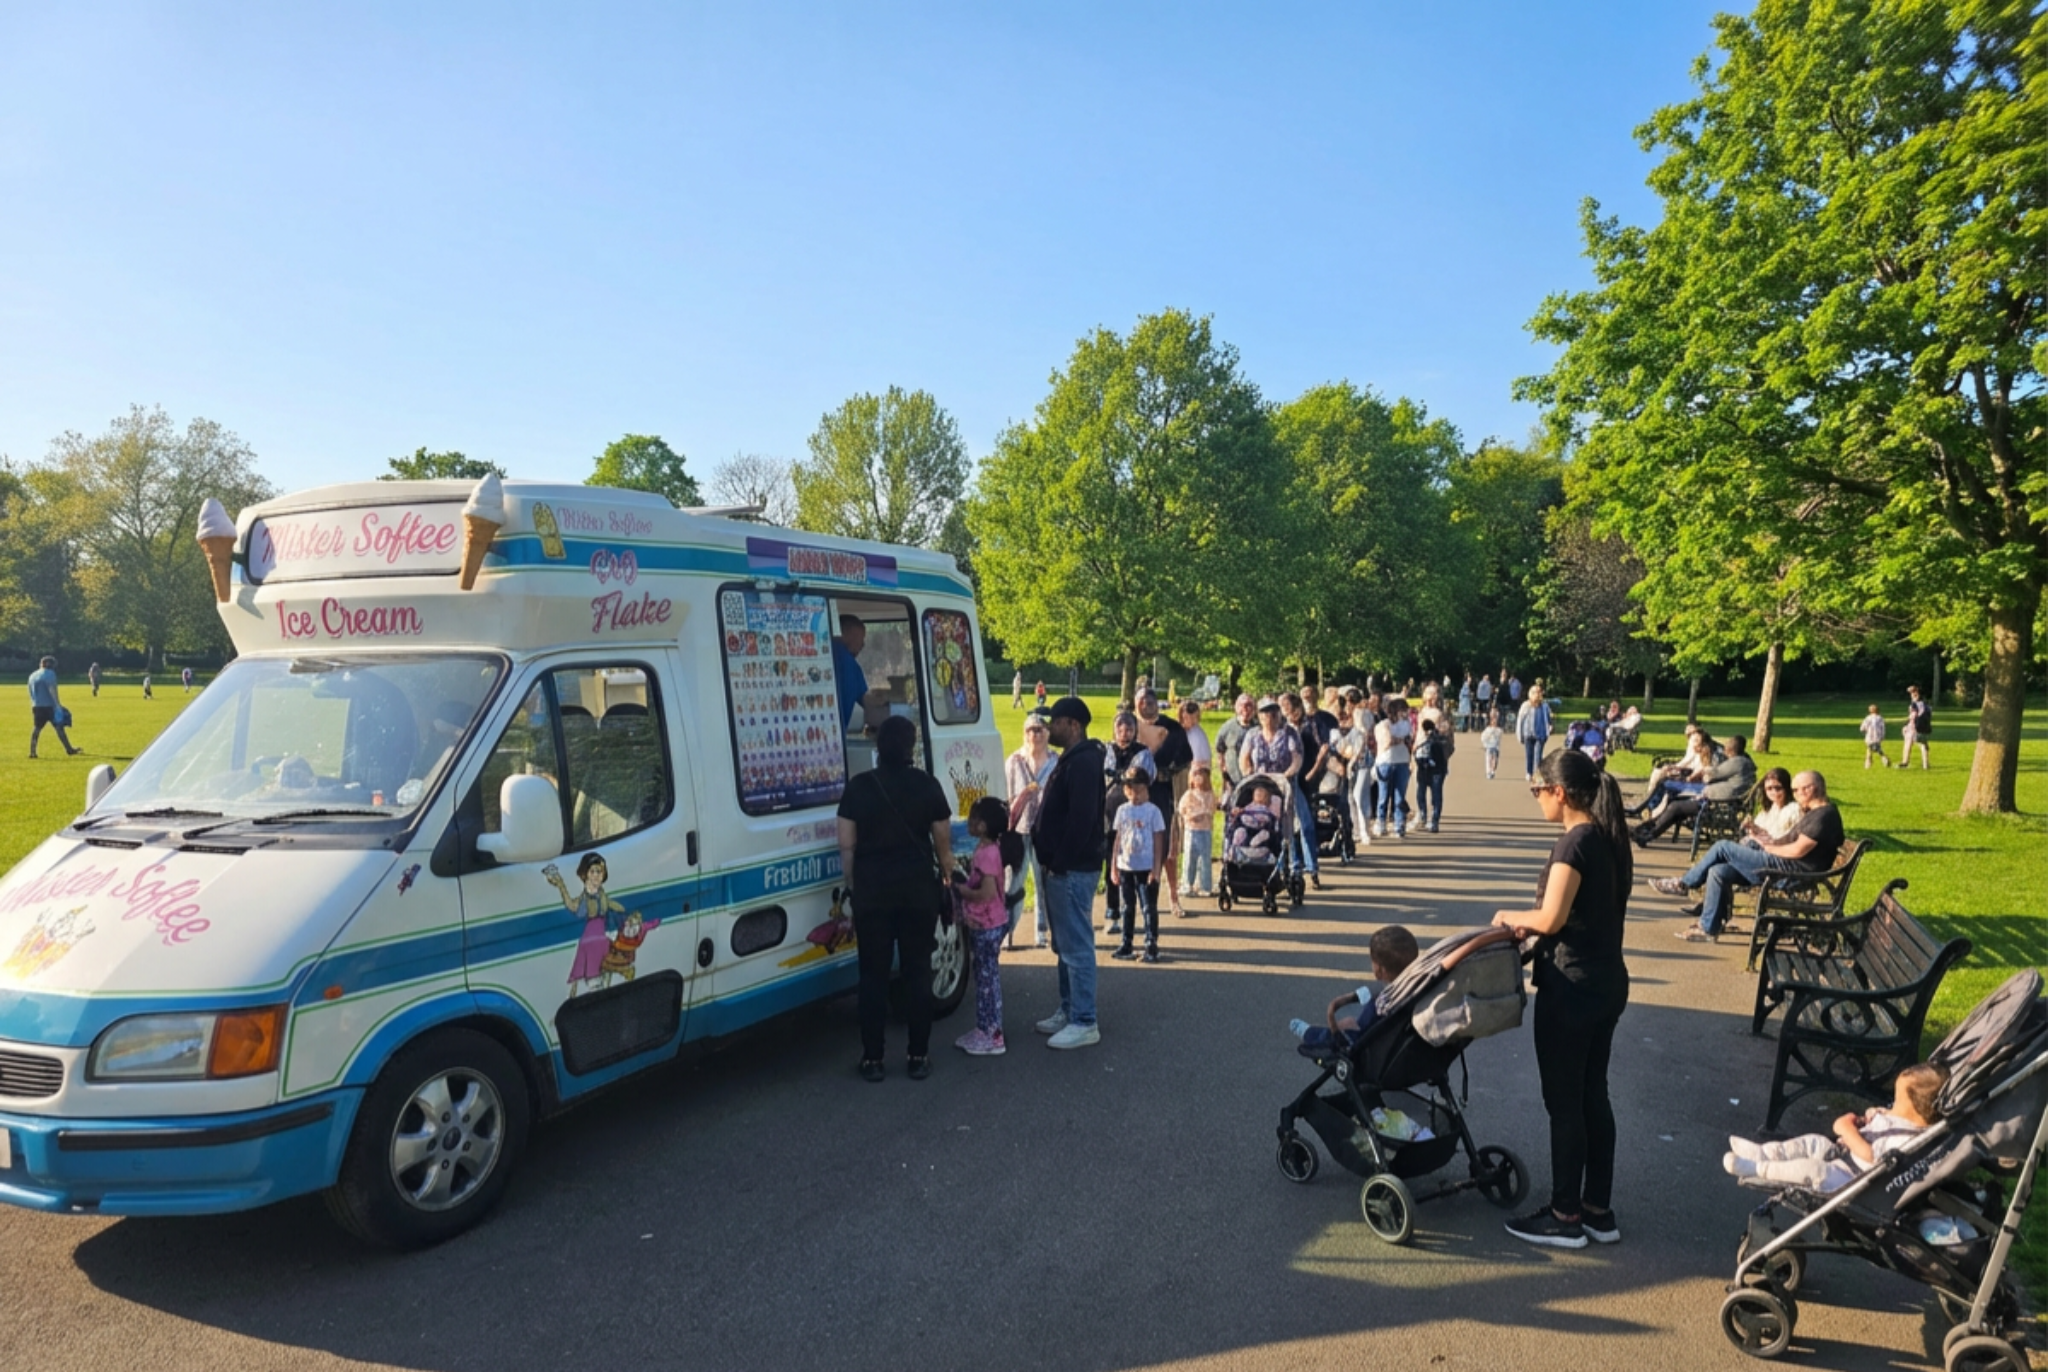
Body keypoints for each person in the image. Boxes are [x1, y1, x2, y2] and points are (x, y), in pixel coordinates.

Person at [1492, 748, 1632, 1249]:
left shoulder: (1573, 844)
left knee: (1565, 1104)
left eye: (1537, 791)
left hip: (1571, 989)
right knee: (1594, 1095)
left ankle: (1565, 1215)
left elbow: (1550, 919)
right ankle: (1598, 1210)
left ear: (1560, 792)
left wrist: (1509, 915)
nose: (1536, 800)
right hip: (1607, 982)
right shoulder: (1610, 838)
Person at [836, 714, 954, 1082]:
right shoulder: (927, 785)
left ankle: (872, 1059)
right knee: (918, 971)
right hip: (917, 889)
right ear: (912, 747)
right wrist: (948, 877)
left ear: (877, 746)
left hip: (873, 889)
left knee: (872, 975)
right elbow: (943, 843)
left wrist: (855, 882)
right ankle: (918, 1055)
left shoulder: (858, 787)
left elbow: (847, 845)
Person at [1652, 770, 1845, 941]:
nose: (1794, 794)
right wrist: (1762, 839)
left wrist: (1769, 850)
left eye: (1796, 790)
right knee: (1719, 871)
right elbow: (1786, 841)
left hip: (1791, 872)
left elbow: (1797, 851)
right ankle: (1708, 927)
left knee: (1722, 847)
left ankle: (1684, 884)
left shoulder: (1824, 817)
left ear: (1810, 789)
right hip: (1783, 865)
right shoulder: (1816, 813)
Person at [1724, 1062, 1946, 1192]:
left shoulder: (1908, 1142)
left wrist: (1845, 1129)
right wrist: (1867, 1118)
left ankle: (1758, 1169)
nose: (1891, 1105)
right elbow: (1885, 1120)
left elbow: (1871, 1155)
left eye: (1897, 1102)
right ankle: (1762, 1153)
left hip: (1851, 1178)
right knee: (1813, 1141)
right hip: (1841, 1154)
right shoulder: (1900, 1118)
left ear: (1916, 1111)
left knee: (1813, 1170)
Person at [1032, 697, 1108, 1050]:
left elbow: (1081, 819)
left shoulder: (1084, 763)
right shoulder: (1073, 760)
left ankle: (1084, 1019)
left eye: (1056, 721)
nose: (1050, 727)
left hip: (1072, 869)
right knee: (1064, 945)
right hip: (1062, 867)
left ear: (1074, 725)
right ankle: (1069, 1008)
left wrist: (1060, 859)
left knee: (1076, 945)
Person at [953, 796, 1025, 1056]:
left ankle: (991, 1033)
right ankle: (985, 1028)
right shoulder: (991, 849)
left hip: (985, 924)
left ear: (983, 826)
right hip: (990, 923)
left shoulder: (987, 854)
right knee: (986, 977)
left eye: (973, 818)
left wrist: (962, 890)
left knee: (986, 981)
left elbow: (985, 893)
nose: (969, 823)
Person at [1288, 925, 1420, 1052]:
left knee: (1335, 1031)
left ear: (1380, 970)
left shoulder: (1381, 1004)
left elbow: (1364, 1032)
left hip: (1364, 1045)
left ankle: (1310, 1034)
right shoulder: (1418, 990)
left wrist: (1350, 1027)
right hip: (1400, 1044)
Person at [1633, 735, 1756, 846]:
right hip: (1722, 802)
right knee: (1675, 804)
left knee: (1675, 806)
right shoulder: (1745, 763)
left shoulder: (1737, 762)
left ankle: (1648, 833)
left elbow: (1714, 773)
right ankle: (1646, 831)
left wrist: (1704, 772)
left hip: (1715, 804)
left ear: (1730, 750)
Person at [1133, 686, 1193, 915]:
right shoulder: (1128, 725)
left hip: (1162, 791)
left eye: (1150, 700)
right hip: (1134, 794)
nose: (1146, 704)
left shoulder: (1173, 728)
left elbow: (1186, 757)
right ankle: (1139, 899)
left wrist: (1165, 770)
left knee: (1167, 843)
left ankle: (1173, 897)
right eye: (1141, 700)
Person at [1102, 712, 1158, 938]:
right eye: (1120, 729)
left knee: (1137, 863)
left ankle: (1142, 911)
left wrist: (1123, 776)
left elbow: (1142, 776)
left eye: (1129, 729)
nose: (1124, 734)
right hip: (1109, 811)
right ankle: (1112, 911)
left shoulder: (1142, 753)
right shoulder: (1107, 750)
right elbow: (1104, 773)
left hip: (1135, 813)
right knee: (1112, 862)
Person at [1004, 714, 1058, 947]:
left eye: (1039, 729)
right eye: (1030, 730)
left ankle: (1042, 932)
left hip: (1046, 830)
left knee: (1043, 882)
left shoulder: (1056, 760)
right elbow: (1006, 796)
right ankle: (1007, 931)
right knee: (1012, 883)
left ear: (1047, 732)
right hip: (1018, 830)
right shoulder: (1014, 760)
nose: (1035, 735)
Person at [1108, 770, 1168, 963]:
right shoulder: (1123, 811)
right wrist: (1113, 867)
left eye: (1141, 790)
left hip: (1146, 867)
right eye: (1133, 790)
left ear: (1147, 790)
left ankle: (1151, 942)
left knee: (1148, 906)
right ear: (1126, 791)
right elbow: (1117, 838)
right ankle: (1127, 942)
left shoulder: (1153, 812)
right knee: (1127, 907)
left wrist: (1156, 868)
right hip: (1126, 865)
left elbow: (1159, 839)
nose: (1137, 795)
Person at [1280, 692, 1327, 888]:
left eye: (1291, 709)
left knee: (1306, 824)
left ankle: (1312, 868)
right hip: (1287, 780)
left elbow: (1321, 747)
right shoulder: (1281, 728)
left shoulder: (1310, 725)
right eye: (1285, 710)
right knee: (1286, 827)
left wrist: (1314, 770)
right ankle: (1292, 866)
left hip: (1305, 780)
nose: (1290, 714)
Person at [831, 614, 891, 732]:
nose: (863, 645)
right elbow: (868, 702)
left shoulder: (821, 653)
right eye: (861, 638)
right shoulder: (850, 665)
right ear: (846, 633)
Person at [1372, 696, 1414, 839]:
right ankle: (1381, 823)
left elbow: (1407, 739)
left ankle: (1399, 825)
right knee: (1383, 796)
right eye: (1403, 710)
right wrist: (1400, 740)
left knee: (1399, 797)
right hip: (1385, 762)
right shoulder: (1383, 724)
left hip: (1402, 761)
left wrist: (1399, 740)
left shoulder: (1406, 724)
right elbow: (1387, 741)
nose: (1405, 713)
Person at [1177, 763, 1218, 899]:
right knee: (1189, 858)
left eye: (1202, 775)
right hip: (1191, 830)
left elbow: (1212, 808)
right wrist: (1191, 816)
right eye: (1196, 775)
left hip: (1205, 830)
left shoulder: (1209, 795)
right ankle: (1187, 884)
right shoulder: (1189, 795)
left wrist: (1204, 813)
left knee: (1205, 859)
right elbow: (1182, 810)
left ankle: (1205, 885)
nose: (1199, 778)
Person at [27, 656, 80, 758]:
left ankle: (32, 752)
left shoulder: (32, 675)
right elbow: (52, 689)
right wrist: (57, 705)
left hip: (37, 706)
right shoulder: (50, 674)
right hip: (49, 706)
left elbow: (30, 691)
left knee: (37, 729)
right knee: (59, 728)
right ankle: (69, 749)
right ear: (49, 664)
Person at [1214, 693, 1257, 792]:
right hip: (1232, 777)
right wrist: (1223, 769)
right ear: (1236, 708)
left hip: (1254, 778)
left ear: (1254, 709)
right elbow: (1220, 749)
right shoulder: (1228, 727)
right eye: (1242, 705)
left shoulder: (1259, 727)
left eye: (1249, 705)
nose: (1245, 709)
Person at [1745, 768, 1800, 842]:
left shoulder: (1793, 810)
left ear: (1786, 788)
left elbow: (1785, 838)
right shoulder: (1768, 810)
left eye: (1778, 788)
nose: (1774, 792)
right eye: (1769, 788)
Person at [1413, 718, 1448, 833]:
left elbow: (1415, 753)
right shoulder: (1441, 739)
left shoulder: (1426, 740)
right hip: (1437, 770)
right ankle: (1433, 821)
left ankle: (1425, 817)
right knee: (1435, 796)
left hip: (1426, 769)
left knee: (1423, 794)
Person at [1515, 684, 1553, 781]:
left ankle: (1537, 773)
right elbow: (1520, 720)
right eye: (1535, 692)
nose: (1537, 694)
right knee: (1529, 754)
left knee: (1538, 755)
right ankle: (1529, 772)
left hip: (1540, 734)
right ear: (1530, 694)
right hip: (1528, 734)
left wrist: (1549, 727)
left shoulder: (1544, 706)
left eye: (1539, 692)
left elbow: (1548, 718)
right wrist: (1520, 734)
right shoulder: (1526, 705)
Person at [1899, 684, 1931, 769]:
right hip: (1924, 726)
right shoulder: (1926, 705)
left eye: (1914, 692)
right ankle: (1925, 764)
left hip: (1914, 726)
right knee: (1924, 745)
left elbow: (1913, 716)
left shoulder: (1915, 704)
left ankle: (1905, 761)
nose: (1912, 694)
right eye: (1911, 693)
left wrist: (1906, 725)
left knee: (1909, 743)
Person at [1860, 703, 1891, 769]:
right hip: (1877, 737)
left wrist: (1864, 730)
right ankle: (1884, 759)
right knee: (1877, 749)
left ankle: (1868, 764)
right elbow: (1883, 728)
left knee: (1869, 749)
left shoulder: (1868, 718)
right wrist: (1882, 736)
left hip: (1869, 737)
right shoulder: (1880, 718)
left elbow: (1862, 728)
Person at [1481, 709, 1504, 781]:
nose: (1494, 723)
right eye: (1493, 722)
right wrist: (1485, 745)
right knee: (1488, 760)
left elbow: (1500, 737)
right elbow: (1483, 737)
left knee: (1495, 760)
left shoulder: (1499, 730)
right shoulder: (1488, 730)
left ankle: (1493, 771)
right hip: (1489, 747)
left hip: (1496, 747)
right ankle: (1488, 772)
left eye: (1496, 722)